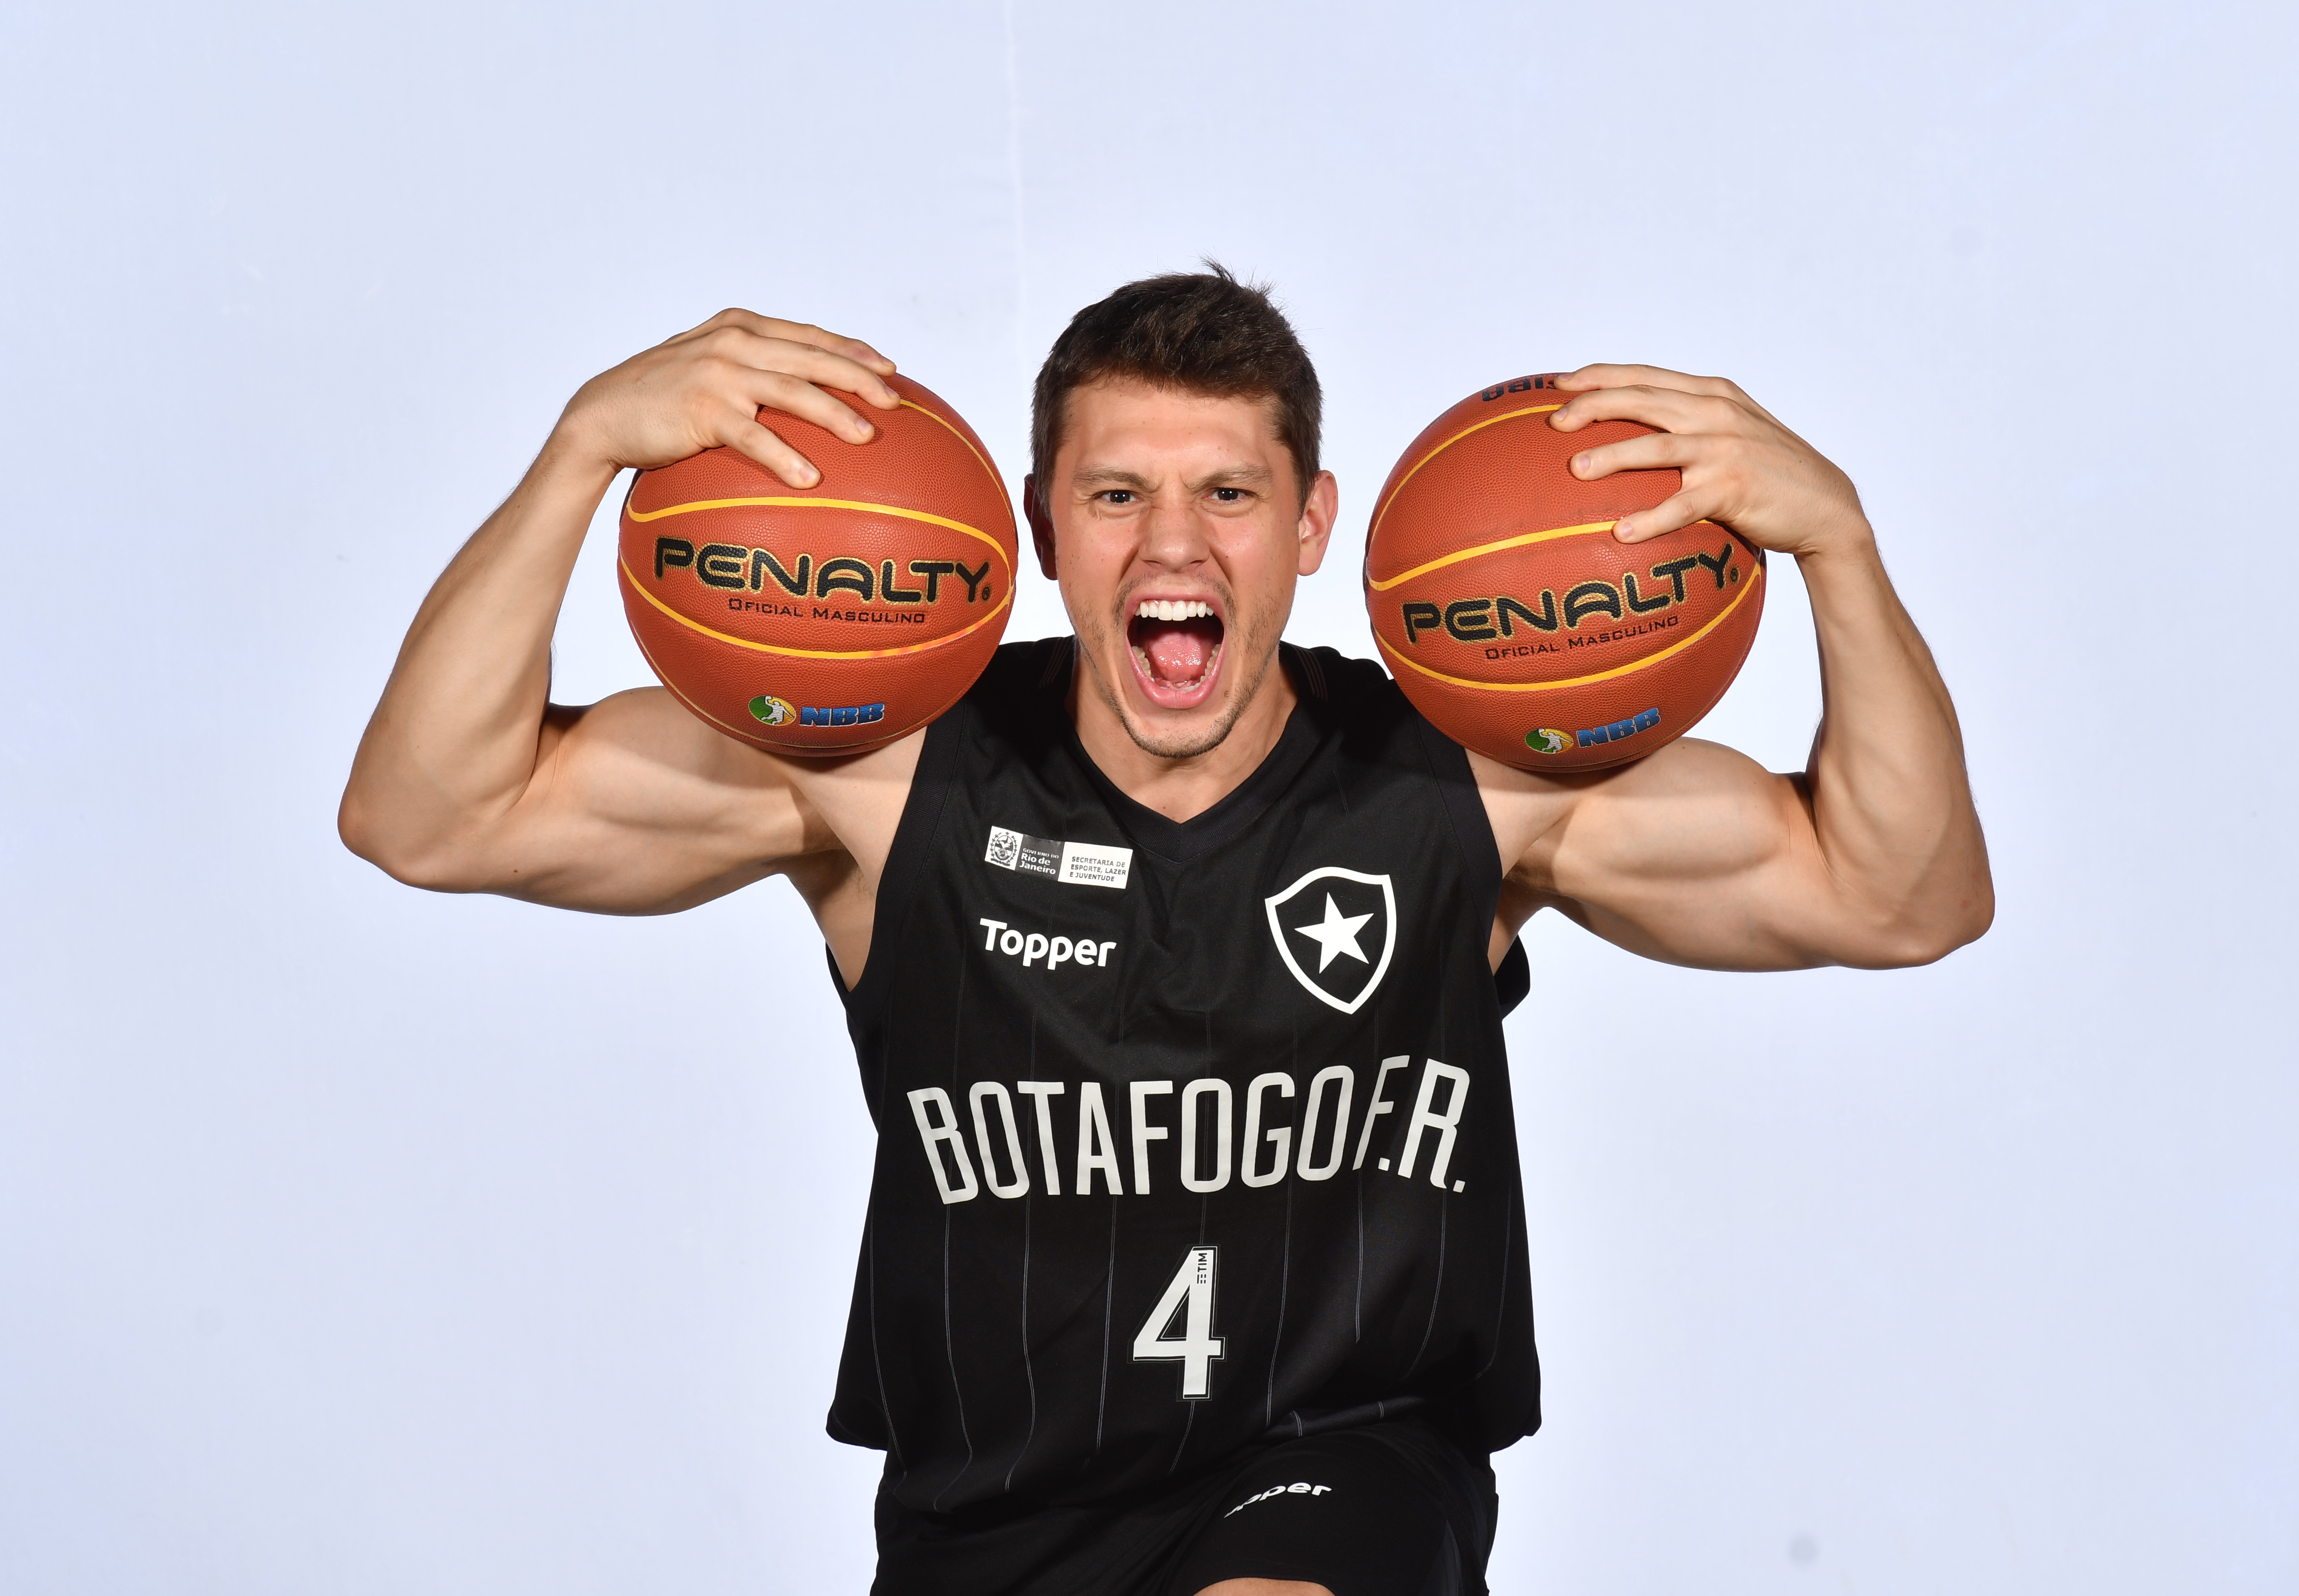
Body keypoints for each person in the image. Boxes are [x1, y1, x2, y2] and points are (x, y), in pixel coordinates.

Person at [340, 267, 1992, 1596]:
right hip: (988, 1513)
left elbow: (1898, 896)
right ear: (1042, 523)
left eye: (1230, 492)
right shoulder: (888, 778)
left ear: (1313, 525)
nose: (1175, 544)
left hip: (1344, 1461)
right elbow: (434, 815)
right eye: (1118, 492)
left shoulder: (1460, 789)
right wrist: (580, 453)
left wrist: (1839, 545)